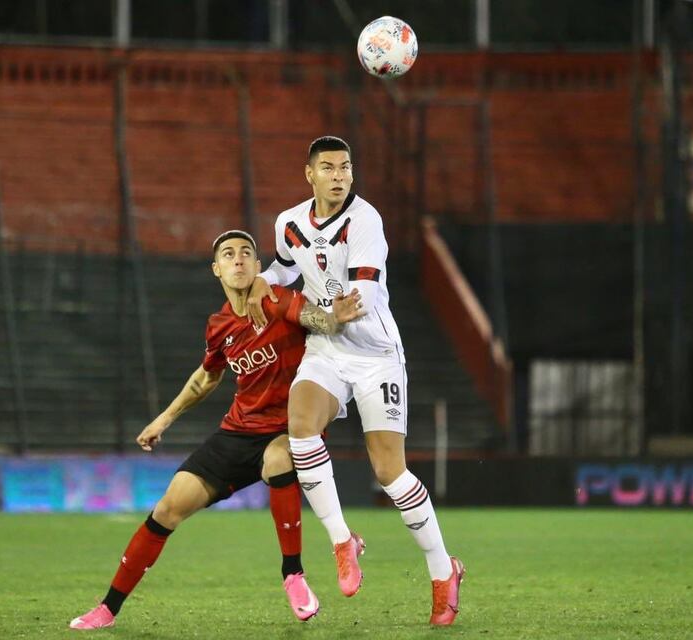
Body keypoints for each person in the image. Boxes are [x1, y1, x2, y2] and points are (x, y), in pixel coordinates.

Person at [69, 229, 365, 630]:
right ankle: (107, 609)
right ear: (217, 269)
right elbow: (206, 378)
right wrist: (164, 419)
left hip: (288, 428)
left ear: (259, 266)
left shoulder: (277, 300)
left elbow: (315, 319)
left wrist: (333, 318)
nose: (239, 259)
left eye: (246, 253)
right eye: (229, 254)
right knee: (167, 509)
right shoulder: (219, 326)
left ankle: (292, 575)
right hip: (237, 433)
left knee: (279, 459)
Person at [246, 136, 465, 626]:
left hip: (374, 353)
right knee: (300, 425)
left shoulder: (366, 220)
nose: (340, 175)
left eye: (346, 167)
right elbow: (284, 268)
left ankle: (442, 569)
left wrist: (322, 311)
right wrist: (263, 282)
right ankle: (343, 541)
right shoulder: (289, 222)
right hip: (326, 348)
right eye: (329, 167)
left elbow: (362, 292)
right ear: (310, 174)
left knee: (390, 473)